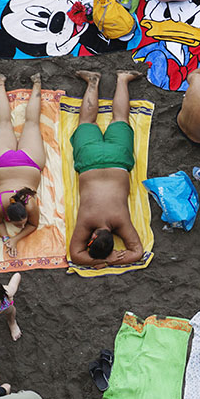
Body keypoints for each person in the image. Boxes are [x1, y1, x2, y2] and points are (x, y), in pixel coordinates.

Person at [68, 71, 144, 269]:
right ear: (92, 236)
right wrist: (102, 260)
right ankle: (93, 81)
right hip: (89, 161)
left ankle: (122, 78)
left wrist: (107, 259)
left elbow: (137, 252)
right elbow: (76, 255)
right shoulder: (86, 222)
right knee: (86, 122)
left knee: (120, 118)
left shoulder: (121, 222)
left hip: (117, 159)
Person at [0, 73, 45, 257]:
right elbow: (30, 225)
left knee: (5, 124)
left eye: (19, 223)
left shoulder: (22, 205)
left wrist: (12, 238)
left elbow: (29, 224)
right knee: (29, 124)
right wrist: (10, 239)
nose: (21, 226)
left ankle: (3, 83)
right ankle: (31, 82)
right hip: (14, 163)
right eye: (19, 224)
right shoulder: (9, 205)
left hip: (14, 163)